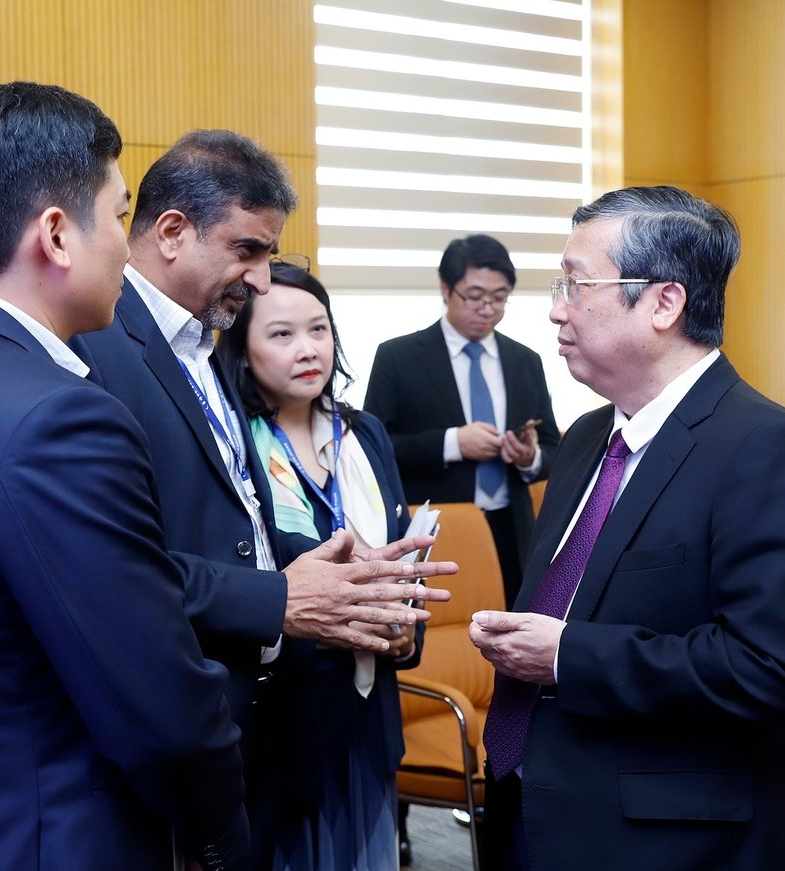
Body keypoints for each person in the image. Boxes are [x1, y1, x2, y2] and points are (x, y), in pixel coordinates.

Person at [0, 82, 250, 870]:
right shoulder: (61, 420)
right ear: (58, 235)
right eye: (119, 214)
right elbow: (160, 704)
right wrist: (221, 837)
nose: (123, 247)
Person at [70, 129, 453, 866]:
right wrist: (279, 596)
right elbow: (116, 562)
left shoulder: (198, 350)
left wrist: (357, 596)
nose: (263, 277)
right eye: (248, 251)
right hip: (169, 726)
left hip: (252, 719)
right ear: (173, 233)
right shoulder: (102, 345)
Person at [470, 186, 785, 870]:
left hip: (673, 842)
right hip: (538, 810)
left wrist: (566, 656)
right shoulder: (587, 438)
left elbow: (775, 669)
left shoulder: (767, 447)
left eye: (575, 283)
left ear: (664, 302)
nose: (557, 309)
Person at [216, 260, 418, 870]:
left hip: (365, 701)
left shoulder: (365, 434)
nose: (308, 350)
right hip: (284, 707)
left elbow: (403, 550)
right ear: (242, 348)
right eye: (281, 334)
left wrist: (405, 630)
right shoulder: (235, 443)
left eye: (319, 329)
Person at [364, 234, 560, 609]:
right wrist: (453, 443)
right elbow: (374, 450)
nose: (488, 308)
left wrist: (528, 457)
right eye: (474, 296)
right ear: (446, 289)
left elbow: (553, 447)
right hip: (437, 530)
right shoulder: (398, 357)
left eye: (500, 297)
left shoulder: (525, 361)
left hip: (511, 530)